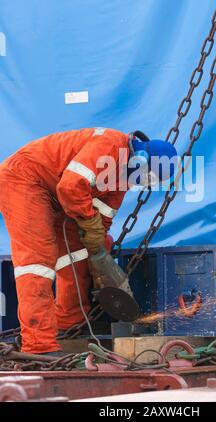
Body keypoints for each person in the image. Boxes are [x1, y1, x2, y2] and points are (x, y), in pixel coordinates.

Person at [0, 127, 177, 354]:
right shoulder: (111, 145)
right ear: (141, 159)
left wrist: (99, 253)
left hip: (58, 192)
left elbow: (101, 221)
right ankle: (39, 343)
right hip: (25, 179)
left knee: (80, 253)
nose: (141, 183)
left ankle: (69, 321)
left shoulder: (123, 180)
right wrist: (90, 222)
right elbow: (71, 186)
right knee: (38, 262)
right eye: (146, 176)